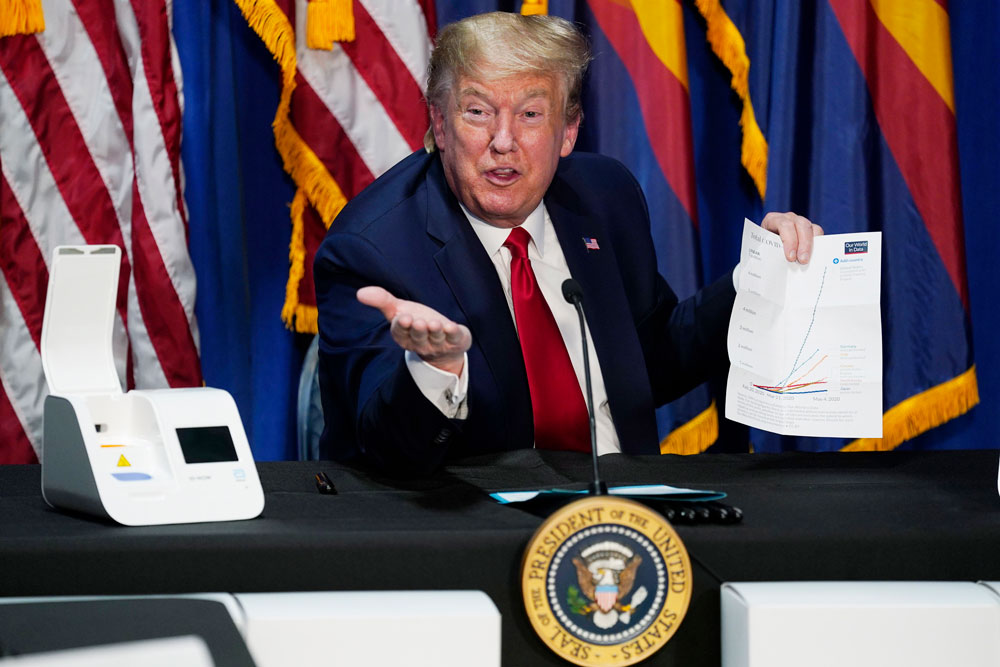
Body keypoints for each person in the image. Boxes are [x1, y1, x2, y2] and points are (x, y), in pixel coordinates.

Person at [313, 12, 821, 476]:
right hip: (473, 521)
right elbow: (380, 448)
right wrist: (435, 372)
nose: (503, 140)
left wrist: (756, 282)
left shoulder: (604, 197)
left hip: (628, 506)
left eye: (531, 115)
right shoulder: (370, 249)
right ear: (440, 125)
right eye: (477, 112)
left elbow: (650, 362)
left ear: (568, 131)